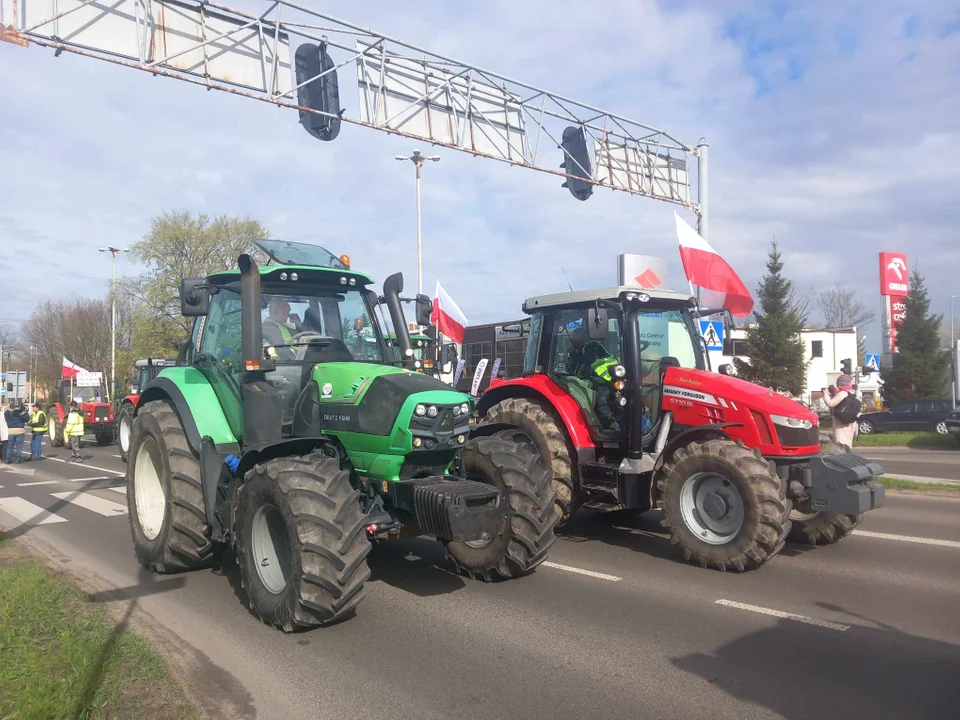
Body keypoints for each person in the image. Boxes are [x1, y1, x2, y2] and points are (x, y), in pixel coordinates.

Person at [566, 327, 621, 431]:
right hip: (603, 377)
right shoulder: (583, 348)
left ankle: (608, 420)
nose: (572, 343)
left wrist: (580, 375)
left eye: (573, 341)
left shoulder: (591, 347)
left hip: (605, 378)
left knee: (599, 394)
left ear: (579, 340)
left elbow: (586, 365)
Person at [822, 374, 857, 449]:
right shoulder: (851, 392)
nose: (837, 386)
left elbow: (831, 403)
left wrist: (825, 395)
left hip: (841, 424)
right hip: (849, 422)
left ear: (841, 383)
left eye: (838, 384)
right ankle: (847, 457)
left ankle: (844, 459)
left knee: (840, 445)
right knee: (847, 445)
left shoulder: (843, 393)